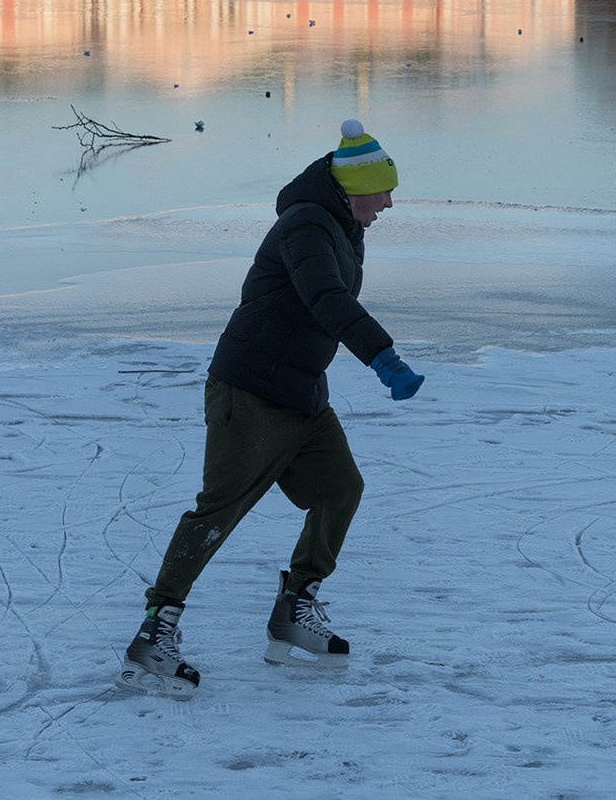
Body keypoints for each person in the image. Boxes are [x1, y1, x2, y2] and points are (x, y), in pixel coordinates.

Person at [120, 119, 423, 697]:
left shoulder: (340, 223)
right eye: (382, 192)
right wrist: (383, 357)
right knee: (218, 513)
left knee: (339, 490)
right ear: (352, 188)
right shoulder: (307, 224)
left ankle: (294, 610)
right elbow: (326, 299)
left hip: (302, 390)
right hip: (251, 390)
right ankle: (155, 634)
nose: (387, 204)